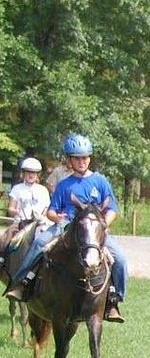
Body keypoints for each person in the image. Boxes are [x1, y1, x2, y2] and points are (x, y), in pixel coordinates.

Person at [4, 133, 129, 322]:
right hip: (66, 226)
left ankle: (114, 300)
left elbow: (111, 209)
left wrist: (102, 225)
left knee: (120, 258)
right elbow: (51, 212)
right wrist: (57, 216)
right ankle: (22, 283)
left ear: (90, 158)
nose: (81, 162)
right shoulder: (64, 185)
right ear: (70, 160)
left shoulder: (101, 182)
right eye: (77, 158)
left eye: (85, 157)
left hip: (94, 231)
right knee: (38, 243)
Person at [2, 156, 50, 275]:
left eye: (34, 173)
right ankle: (3, 259)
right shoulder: (17, 189)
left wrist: (40, 218)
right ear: (23, 173)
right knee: (9, 235)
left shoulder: (43, 190)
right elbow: (11, 208)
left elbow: (46, 209)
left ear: (37, 174)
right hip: (21, 222)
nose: (31, 175)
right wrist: (15, 211)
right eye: (28, 172)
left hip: (38, 223)